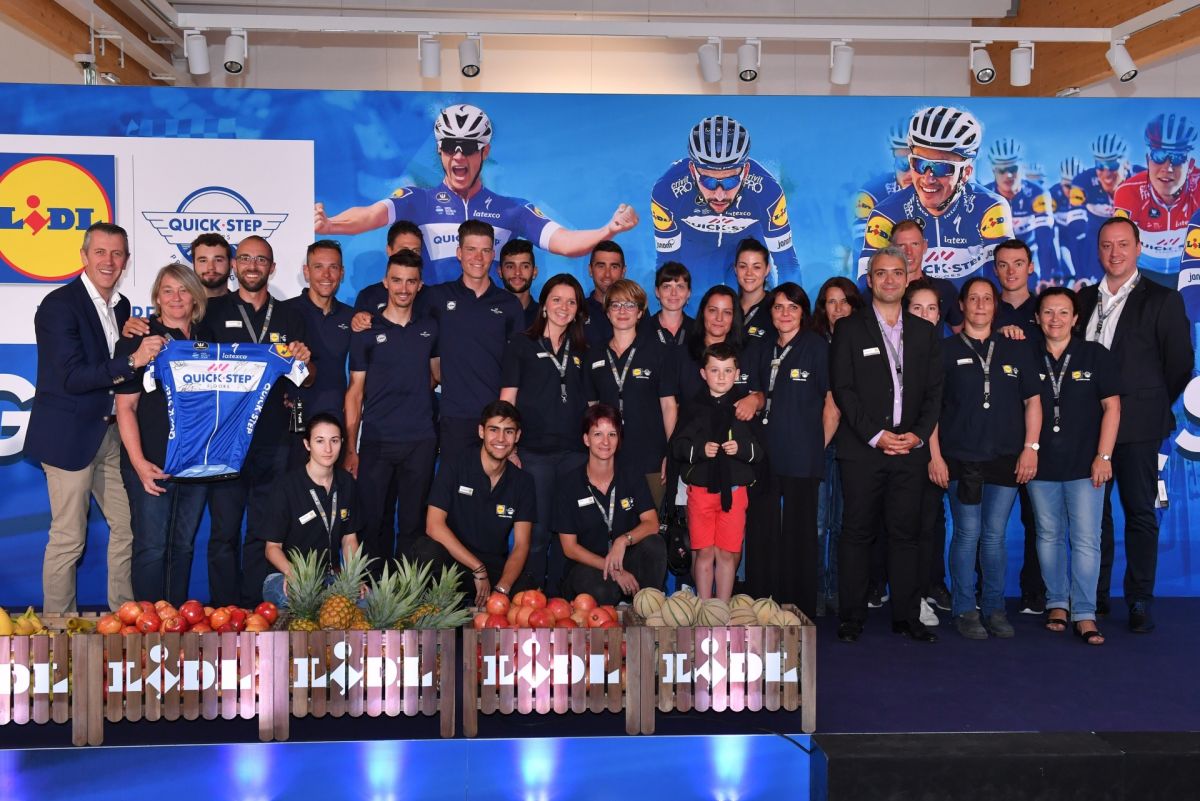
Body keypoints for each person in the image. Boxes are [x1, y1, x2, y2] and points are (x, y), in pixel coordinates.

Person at [315, 103, 638, 284]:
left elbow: (564, 242)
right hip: (433, 323)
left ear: (485, 152)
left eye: (468, 147)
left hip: (486, 321)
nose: (458, 156)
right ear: (439, 151)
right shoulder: (418, 199)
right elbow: (370, 215)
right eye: (449, 146)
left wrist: (607, 230)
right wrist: (330, 225)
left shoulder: (511, 209)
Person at [27, 222, 155, 613]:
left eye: (117, 253)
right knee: (69, 538)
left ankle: (124, 617)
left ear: (126, 261)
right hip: (67, 437)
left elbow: (110, 362)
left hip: (108, 435)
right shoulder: (59, 305)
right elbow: (72, 377)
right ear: (83, 256)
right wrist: (132, 360)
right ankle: (57, 627)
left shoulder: (121, 307)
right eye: (100, 252)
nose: (108, 261)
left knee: (126, 528)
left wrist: (131, 344)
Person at [1077, 217, 1193, 633]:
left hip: (1139, 427)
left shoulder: (1162, 299)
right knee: (1094, 517)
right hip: (1087, 426)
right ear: (1098, 251)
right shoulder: (1083, 299)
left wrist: (1147, 400)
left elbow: (1179, 365)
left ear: (1139, 248)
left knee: (1140, 513)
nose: (1115, 253)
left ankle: (1140, 599)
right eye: (1107, 245)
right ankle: (1095, 595)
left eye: (1123, 244)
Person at [830, 246, 943, 644]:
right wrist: (876, 436)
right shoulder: (849, 328)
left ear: (908, 278)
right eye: (881, 273)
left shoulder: (925, 331)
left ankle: (906, 617)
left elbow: (934, 392)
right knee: (857, 533)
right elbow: (843, 390)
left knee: (906, 535)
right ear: (870, 279)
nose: (890, 279)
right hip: (863, 451)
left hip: (910, 449)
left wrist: (918, 434)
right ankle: (851, 617)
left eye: (897, 272)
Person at [194, 234, 314, 606]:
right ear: (234, 265)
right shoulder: (209, 311)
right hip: (224, 440)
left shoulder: (290, 316)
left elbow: (307, 379)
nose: (252, 266)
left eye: (261, 260)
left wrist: (305, 360)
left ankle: (256, 610)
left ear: (272, 268)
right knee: (224, 533)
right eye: (245, 258)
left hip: (273, 441)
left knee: (263, 533)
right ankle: (224, 611)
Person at [935, 277, 1042, 640]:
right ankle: (965, 609)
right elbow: (931, 410)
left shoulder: (1016, 349)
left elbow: (1033, 402)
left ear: (996, 306)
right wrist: (934, 456)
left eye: (987, 299)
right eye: (973, 299)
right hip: (961, 458)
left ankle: (994, 608)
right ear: (962, 306)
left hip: (1005, 457)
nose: (980, 305)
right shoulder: (945, 351)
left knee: (994, 536)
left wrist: (1030, 448)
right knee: (967, 534)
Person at [1026, 288, 1121, 645]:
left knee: (1086, 540)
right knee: (1048, 535)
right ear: (1037, 318)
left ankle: (1084, 612)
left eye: (1063, 312)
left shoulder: (1095, 355)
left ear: (1076, 318)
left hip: (1086, 465)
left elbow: (1112, 407)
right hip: (1040, 464)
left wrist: (1104, 456)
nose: (1055, 319)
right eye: (1048, 312)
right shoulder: (1026, 355)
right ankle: (1056, 604)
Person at [114, 264, 209, 606]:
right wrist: (139, 464)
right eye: (168, 290)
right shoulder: (138, 339)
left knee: (182, 547)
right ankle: (147, 628)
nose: (176, 298)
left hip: (194, 464)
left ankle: (176, 622)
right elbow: (126, 407)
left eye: (184, 290)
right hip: (151, 461)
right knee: (151, 547)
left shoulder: (208, 340)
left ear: (195, 297)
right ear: (157, 297)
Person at [747, 283, 838, 617]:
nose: (785, 314)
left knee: (800, 535)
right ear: (770, 313)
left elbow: (832, 406)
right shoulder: (762, 347)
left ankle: (798, 610)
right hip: (764, 457)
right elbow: (757, 394)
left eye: (793, 307)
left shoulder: (817, 347)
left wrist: (815, 447)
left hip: (802, 457)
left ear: (803, 312)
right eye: (778, 307)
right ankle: (760, 606)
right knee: (762, 532)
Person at [343, 250, 440, 566]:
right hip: (377, 441)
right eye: (397, 280)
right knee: (373, 524)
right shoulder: (366, 331)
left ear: (420, 285)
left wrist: (411, 389)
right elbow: (355, 392)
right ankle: (373, 592)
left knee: (413, 526)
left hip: (420, 441)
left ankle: (408, 592)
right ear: (385, 282)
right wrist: (350, 448)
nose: (403, 288)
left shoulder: (430, 329)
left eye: (411, 281)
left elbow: (436, 374)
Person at [500, 273, 593, 594]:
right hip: (534, 453)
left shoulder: (583, 349)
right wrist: (509, 448)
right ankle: (531, 598)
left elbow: (592, 405)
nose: (563, 307)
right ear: (544, 305)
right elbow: (507, 400)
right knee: (537, 532)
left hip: (575, 455)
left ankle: (562, 600)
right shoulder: (521, 344)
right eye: (557, 300)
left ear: (578, 309)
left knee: (568, 533)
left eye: (571, 302)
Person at [859, 105, 1014, 288]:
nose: (928, 178)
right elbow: (867, 287)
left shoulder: (989, 208)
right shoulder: (886, 214)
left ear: (966, 173)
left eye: (941, 167)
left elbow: (1002, 284)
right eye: (919, 164)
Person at [651, 115, 800, 289]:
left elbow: (787, 264)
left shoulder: (767, 191)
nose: (720, 195)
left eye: (730, 181)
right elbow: (666, 264)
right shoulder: (667, 191)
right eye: (709, 182)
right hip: (696, 256)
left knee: (756, 298)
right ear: (692, 171)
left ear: (745, 171)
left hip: (744, 257)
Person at [409, 401, 536, 605]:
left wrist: (502, 590)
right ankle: (433, 616)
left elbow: (521, 545)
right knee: (426, 551)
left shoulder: (523, 482)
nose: (501, 439)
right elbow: (434, 526)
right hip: (454, 560)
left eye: (508, 431)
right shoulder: (455, 465)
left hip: (492, 565)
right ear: (481, 431)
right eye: (494, 430)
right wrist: (477, 568)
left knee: (527, 587)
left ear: (517, 436)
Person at [421, 220, 524, 464]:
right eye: (471, 249)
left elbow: (517, 366)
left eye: (485, 250)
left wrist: (507, 422)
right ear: (459, 253)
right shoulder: (436, 298)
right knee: (455, 486)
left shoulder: (509, 305)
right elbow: (408, 327)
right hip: (454, 418)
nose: (478, 257)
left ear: (493, 255)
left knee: (494, 487)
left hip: (496, 421)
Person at [672, 343, 763, 601]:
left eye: (727, 371)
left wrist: (741, 449)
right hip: (700, 492)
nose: (721, 377)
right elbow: (678, 446)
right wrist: (699, 450)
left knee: (726, 554)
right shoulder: (692, 407)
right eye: (714, 370)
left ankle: (721, 609)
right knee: (704, 553)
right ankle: (704, 607)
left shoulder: (744, 409)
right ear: (703, 373)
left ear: (737, 374)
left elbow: (760, 451)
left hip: (734, 492)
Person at [554, 405, 666, 604]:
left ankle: (647, 607)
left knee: (654, 544)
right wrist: (613, 570)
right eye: (598, 434)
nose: (605, 442)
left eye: (612, 434)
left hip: (625, 558)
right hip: (589, 565)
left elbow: (652, 523)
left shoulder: (631, 475)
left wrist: (623, 541)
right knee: (604, 591)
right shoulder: (569, 484)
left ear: (619, 439)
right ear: (586, 439)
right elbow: (570, 548)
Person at [993, 238, 1048, 614]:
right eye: (1003, 264)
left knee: (1038, 517)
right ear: (994, 269)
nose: (1010, 271)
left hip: (1036, 428)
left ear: (1030, 267)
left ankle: (1035, 590)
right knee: (985, 523)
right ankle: (984, 591)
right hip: (992, 429)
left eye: (1018, 263)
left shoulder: (1046, 310)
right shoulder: (984, 308)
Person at [590, 279, 678, 507]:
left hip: (651, 455)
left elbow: (669, 405)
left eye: (630, 305)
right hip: (608, 456)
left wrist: (671, 452)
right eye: (616, 305)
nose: (622, 311)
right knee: (613, 520)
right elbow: (591, 407)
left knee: (652, 524)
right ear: (607, 311)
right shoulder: (595, 353)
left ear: (640, 312)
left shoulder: (658, 351)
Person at [262, 413, 363, 609]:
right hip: (285, 575)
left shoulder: (346, 483)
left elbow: (349, 539)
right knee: (303, 606)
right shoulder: (286, 486)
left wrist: (354, 577)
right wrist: (293, 574)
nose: (328, 449)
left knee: (369, 603)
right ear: (307, 444)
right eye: (320, 441)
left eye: (334, 441)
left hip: (330, 578)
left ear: (342, 443)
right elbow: (272, 548)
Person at [811, 277, 863, 616]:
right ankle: (816, 589)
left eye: (845, 301)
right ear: (823, 308)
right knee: (817, 524)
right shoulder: (813, 344)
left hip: (854, 445)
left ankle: (838, 590)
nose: (839, 308)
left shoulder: (866, 341)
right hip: (818, 442)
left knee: (845, 523)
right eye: (832, 302)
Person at [903, 279, 951, 624]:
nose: (924, 314)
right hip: (909, 450)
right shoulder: (897, 350)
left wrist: (936, 455)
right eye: (916, 308)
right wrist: (932, 454)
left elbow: (937, 406)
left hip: (941, 452)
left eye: (931, 308)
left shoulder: (948, 350)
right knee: (907, 525)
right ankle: (910, 595)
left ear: (939, 314)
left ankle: (926, 589)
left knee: (931, 524)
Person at [1113, 113, 1200, 285]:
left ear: (1190, 165)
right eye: (1159, 156)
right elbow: (1118, 245)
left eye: (1177, 157)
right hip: (1145, 270)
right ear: (1148, 160)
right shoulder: (1129, 192)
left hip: (1188, 268)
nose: (1167, 168)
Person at [282, 240, 355, 420]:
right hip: (291, 419)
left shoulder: (351, 316)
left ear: (342, 273)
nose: (326, 275)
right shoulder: (283, 311)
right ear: (306, 272)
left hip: (334, 419)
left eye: (333, 267)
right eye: (318, 267)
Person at [983, 138, 1061, 282]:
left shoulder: (1038, 194)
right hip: (995, 257)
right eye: (1002, 170)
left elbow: (1045, 240)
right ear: (994, 171)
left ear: (1021, 168)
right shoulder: (985, 196)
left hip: (1029, 252)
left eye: (1013, 169)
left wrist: (1045, 277)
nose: (1008, 175)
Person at [1066, 133, 1131, 284]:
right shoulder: (1082, 182)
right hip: (1096, 237)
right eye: (1100, 166)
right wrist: (1081, 276)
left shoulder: (1141, 178)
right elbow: (1075, 232)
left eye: (1113, 166)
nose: (1106, 175)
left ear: (1126, 164)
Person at [852, 122, 914, 252]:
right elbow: (862, 244)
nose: (911, 173)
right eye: (903, 163)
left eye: (919, 164)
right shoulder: (873, 192)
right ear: (894, 159)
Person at [352, 219, 424, 322]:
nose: (409, 255)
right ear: (389, 250)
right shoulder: (368, 296)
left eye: (416, 251)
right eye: (404, 250)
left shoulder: (431, 297)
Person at [639, 261, 694, 348]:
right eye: (667, 287)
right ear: (657, 292)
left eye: (680, 286)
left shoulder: (698, 330)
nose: (673, 293)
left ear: (688, 293)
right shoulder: (642, 329)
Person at [582, 240, 625, 350]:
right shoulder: (579, 310)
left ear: (623, 271)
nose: (607, 274)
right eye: (601, 266)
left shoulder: (636, 309)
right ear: (590, 270)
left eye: (614, 267)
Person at [735, 238, 776, 344]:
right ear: (735, 269)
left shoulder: (775, 308)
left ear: (767, 270)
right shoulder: (728, 307)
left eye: (756, 267)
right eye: (743, 266)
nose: (749, 273)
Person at [1051, 157, 1085, 279]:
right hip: (1062, 238)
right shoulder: (1052, 195)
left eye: (1076, 186)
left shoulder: (1089, 192)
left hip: (1081, 237)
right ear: (1061, 183)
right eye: (1067, 186)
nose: (1072, 191)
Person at [499, 238, 540, 329]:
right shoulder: (487, 311)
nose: (517, 272)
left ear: (534, 272)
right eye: (510, 266)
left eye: (525, 266)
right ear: (500, 272)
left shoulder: (543, 317)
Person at [189, 232, 233, 298]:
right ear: (194, 264)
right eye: (203, 261)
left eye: (218, 260)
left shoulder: (243, 304)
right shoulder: (182, 304)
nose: (211, 267)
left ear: (230, 263)